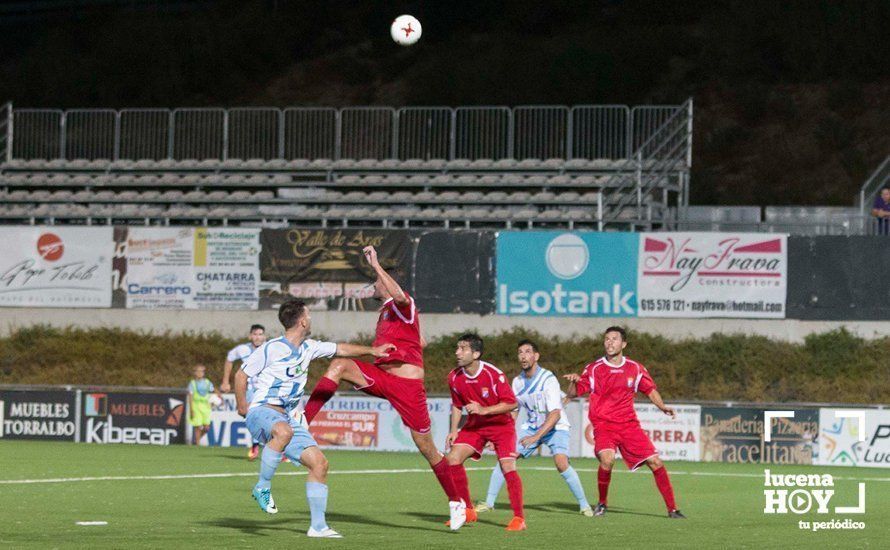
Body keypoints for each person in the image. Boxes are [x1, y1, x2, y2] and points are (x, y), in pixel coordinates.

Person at [302, 245, 464, 526]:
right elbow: (418, 340)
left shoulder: (403, 303)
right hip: (383, 378)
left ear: (386, 282)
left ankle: (456, 502)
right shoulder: (386, 312)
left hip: (407, 388)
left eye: (376, 281)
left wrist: (376, 264)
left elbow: (401, 296)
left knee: (426, 448)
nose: (373, 286)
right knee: (339, 365)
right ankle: (301, 425)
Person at [234, 298, 395, 539]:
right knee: (284, 432)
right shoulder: (272, 348)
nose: (311, 319)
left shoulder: (309, 347)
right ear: (302, 321)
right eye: (309, 315)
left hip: (286, 418)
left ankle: (318, 526)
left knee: (319, 464)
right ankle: (263, 487)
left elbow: (340, 349)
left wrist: (372, 351)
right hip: (262, 411)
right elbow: (241, 375)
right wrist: (242, 406)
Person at [564, 326, 686, 519]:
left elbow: (650, 390)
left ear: (624, 344)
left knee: (655, 462)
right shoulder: (594, 369)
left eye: (614, 339)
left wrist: (662, 407)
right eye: (606, 339)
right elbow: (574, 393)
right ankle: (602, 504)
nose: (610, 342)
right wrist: (573, 381)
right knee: (607, 459)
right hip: (604, 425)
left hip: (629, 425)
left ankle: (673, 509)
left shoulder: (635, 368)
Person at [477, 339, 592, 516]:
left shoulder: (548, 379)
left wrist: (535, 438)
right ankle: (489, 502)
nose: (523, 356)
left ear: (536, 356)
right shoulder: (517, 382)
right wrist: (502, 436)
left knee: (561, 463)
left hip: (556, 426)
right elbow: (513, 410)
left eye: (528, 352)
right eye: (520, 352)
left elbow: (555, 414)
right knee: (506, 458)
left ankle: (584, 505)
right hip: (532, 427)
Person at [445, 333, 526, 532]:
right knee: (452, 459)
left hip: (501, 426)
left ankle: (519, 518)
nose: (458, 352)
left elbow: (511, 403)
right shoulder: (454, 376)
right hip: (475, 426)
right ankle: (467, 511)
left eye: (463, 348)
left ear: (476, 353)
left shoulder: (493, 374)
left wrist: (484, 410)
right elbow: (457, 405)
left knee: (507, 466)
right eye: (457, 348)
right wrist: (453, 430)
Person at [220, 324, 267, 460]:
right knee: (251, 416)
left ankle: (274, 448)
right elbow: (229, 359)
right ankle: (256, 445)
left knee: (270, 417)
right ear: (250, 336)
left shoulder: (270, 347)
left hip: (267, 388)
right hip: (251, 389)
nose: (257, 337)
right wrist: (225, 381)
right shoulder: (242, 349)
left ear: (264, 336)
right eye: (255, 334)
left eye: (260, 334)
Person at [187, 364, 219, 446]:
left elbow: (213, 389)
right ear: (195, 373)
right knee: (197, 426)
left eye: (202, 371)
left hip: (206, 406)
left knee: (207, 427)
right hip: (196, 405)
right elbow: (190, 397)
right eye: (198, 371)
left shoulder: (207, 382)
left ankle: (196, 440)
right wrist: (191, 410)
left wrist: (219, 396)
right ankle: (197, 444)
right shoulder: (192, 383)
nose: (200, 373)